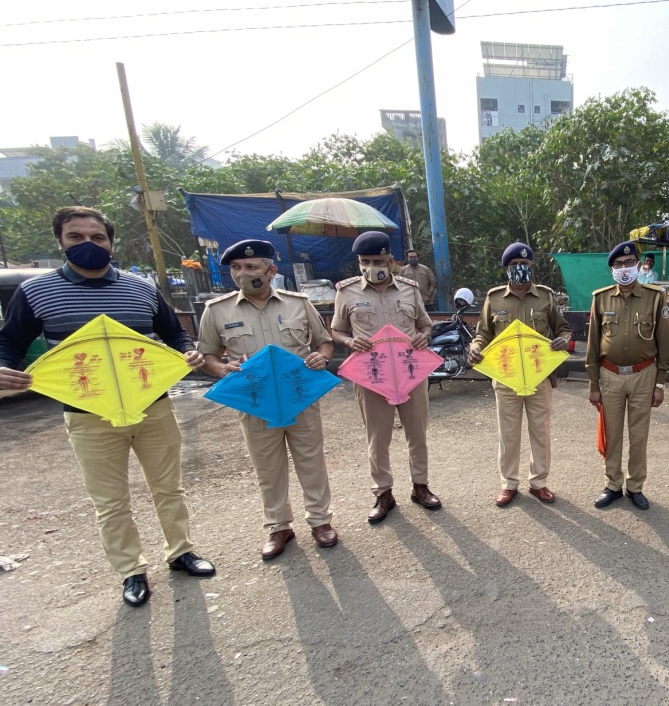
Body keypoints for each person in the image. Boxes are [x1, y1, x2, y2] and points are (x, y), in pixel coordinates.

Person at [0, 206, 215, 608]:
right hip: (87, 415)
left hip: (153, 408)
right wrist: (4, 368)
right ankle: (131, 570)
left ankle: (181, 551)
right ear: (60, 242)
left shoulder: (141, 288)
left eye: (97, 238)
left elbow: (173, 333)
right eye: (76, 237)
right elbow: (9, 341)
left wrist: (188, 352)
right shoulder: (36, 292)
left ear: (110, 243)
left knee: (168, 488)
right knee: (110, 499)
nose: (88, 245)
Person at [197, 239, 337, 561]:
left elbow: (324, 341)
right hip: (255, 403)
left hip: (299, 398)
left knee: (311, 462)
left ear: (271, 271)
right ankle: (278, 526)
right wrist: (222, 369)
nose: (242, 274)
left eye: (251, 267)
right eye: (235, 268)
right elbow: (208, 355)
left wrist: (321, 358)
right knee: (268, 468)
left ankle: (320, 521)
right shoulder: (217, 311)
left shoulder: (298, 304)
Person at [332, 231, 441, 523]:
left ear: (391, 260)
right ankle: (383, 493)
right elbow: (337, 330)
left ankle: (420, 487)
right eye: (364, 261)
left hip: (410, 372)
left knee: (417, 434)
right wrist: (348, 343)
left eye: (378, 260)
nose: (371, 266)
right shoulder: (347, 292)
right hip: (371, 376)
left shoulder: (409, 289)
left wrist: (424, 337)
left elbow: (425, 325)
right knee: (377, 439)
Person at [468, 242, 572, 507]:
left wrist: (562, 340)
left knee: (541, 431)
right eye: (514, 265)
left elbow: (563, 329)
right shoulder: (494, 299)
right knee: (508, 433)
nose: (520, 269)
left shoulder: (546, 297)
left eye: (524, 265)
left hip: (539, 377)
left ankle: (539, 482)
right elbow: (482, 334)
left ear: (532, 266)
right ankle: (509, 484)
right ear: (506, 269)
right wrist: (476, 348)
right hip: (505, 378)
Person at [586, 241, 669, 510]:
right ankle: (613, 484)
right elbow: (592, 343)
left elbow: (664, 344)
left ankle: (635, 486)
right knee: (612, 434)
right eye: (618, 265)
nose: (624, 269)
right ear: (612, 268)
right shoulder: (600, 298)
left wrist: (660, 383)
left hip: (644, 375)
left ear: (638, 265)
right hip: (609, 375)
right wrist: (593, 383)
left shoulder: (655, 297)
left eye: (628, 263)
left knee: (638, 435)